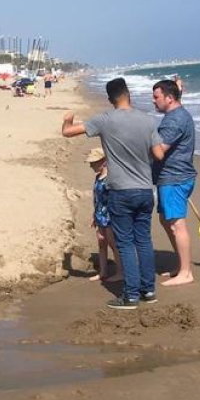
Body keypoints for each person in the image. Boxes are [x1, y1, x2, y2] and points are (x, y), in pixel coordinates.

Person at [62, 77, 161, 310]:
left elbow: (68, 132)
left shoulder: (105, 120)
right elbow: (158, 154)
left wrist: (67, 118)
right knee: (144, 240)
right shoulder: (148, 120)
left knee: (125, 242)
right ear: (129, 94)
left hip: (121, 190)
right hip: (145, 189)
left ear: (110, 99)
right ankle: (148, 290)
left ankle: (130, 295)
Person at [151, 78, 198, 286]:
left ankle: (186, 272)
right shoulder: (177, 113)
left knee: (177, 223)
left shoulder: (174, 120)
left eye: (156, 97)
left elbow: (159, 151)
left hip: (174, 177)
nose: (153, 101)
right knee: (165, 220)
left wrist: (144, 134)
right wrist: (179, 89)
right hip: (169, 177)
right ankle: (181, 264)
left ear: (169, 99)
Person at [86, 146, 122, 283]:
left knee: (113, 243)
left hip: (110, 215)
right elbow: (96, 198)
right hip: (99, 214)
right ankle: (103, 272)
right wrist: (94, 214)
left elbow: (114, 199)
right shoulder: (98, 178)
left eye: (94, 162)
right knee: (101, 242)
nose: (91, 165)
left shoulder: (109, 179)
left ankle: (121, 271)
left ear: (104, 161)